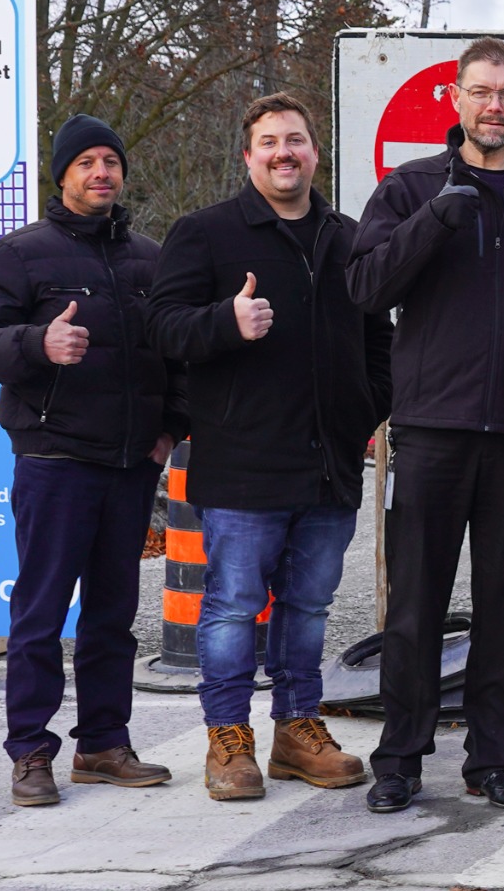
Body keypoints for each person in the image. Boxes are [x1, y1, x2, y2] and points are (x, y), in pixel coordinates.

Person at [346, 39, 504, 813]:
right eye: (481, 92)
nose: (495, 106)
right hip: (430, 429)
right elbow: (365, 286)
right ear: (455, 101)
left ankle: (494, 760)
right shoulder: (410, 186)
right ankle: (400, 760)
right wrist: (435, 219)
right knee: (415, 604)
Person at [149, 92, 392, 801]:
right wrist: (225, 322)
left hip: (329, 465)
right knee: (230, 608)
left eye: (296, 140)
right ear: (249, 155)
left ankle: (297, 730)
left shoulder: (349, 238)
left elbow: (382, 340)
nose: (284, 153)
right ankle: (229, 739)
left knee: (309, 608)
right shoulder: (206, 234)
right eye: (269, 143)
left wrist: (364, 411)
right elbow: (163, 328)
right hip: (243, 462)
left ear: (316, 151)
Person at [0, 115, 188, 807]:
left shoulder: (150, 256)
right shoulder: (20, 254)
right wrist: (35, 343)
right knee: (41, 611)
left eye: (110, 160)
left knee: (113, 613)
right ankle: (30, 751)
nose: (101, 173)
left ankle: (103, 744)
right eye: (86, 161)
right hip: (55, 459)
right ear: (63, 174)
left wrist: (171, 426)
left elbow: (173, 355)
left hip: (130, 464)